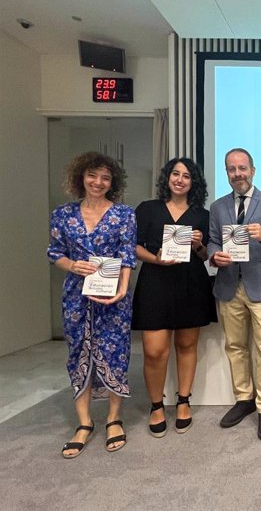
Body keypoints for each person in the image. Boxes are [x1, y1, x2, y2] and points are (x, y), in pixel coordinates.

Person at [47, 152, 136, 458]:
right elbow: (54, 252)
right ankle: (84, 423)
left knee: (115, 352)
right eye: (92, 176)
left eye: (105, 178)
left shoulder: (124, 214)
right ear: (80, 177)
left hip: (113, 297)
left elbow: (127, 256)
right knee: (77, 352)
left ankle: (113, 418)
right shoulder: (62, 215)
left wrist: (123, 290)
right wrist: (72, 265)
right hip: (75, 297)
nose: (98, 182)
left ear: (113, 183)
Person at [207, 148, 261, 440]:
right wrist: (215, 256)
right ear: (227, 173)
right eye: (232, 169)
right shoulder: (217, 208)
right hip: (229, 286)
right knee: (235, 346)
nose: (237, 174)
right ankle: (244, 399)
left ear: (253, 170)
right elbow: (213, 243)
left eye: (242, 168)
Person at [131, 158, 217, 438]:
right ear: (167, 178)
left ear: (194, 183)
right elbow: (133, 248)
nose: (180, 180)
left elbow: (208, 257)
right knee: (155, 350)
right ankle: (156, 405)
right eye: (175, 174)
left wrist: (200, 245)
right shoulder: (147, 209)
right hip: (155, 283)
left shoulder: (202, 215)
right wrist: (156, 259)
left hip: (191, 283)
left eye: (187, 176)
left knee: (187, 344)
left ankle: (183, 401)